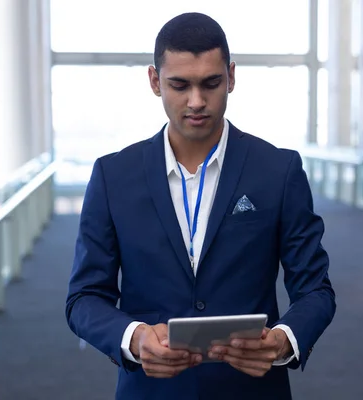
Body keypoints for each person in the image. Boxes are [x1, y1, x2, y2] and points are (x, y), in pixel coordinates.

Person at [65, 12, 336, 400]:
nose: (197, 102)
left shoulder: (278, 170)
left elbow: (315, 290)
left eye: (211, 83)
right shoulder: (113, 176)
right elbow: (84, 298)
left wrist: (282, 340)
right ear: (155, 82)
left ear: (232, 77)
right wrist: (134, 337)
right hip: (150, 390)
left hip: (251, 389)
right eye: (180, 85)